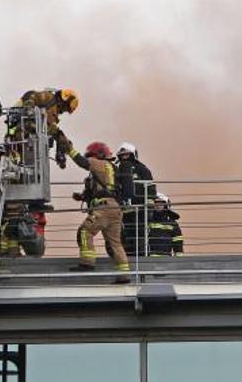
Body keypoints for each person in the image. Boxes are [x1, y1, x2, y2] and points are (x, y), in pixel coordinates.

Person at [63, 139, 130, 283]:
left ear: (97, 155)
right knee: (115, 243)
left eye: (91, 156)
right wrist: (82, 196)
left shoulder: (99, 163)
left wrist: (69, 149)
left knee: (85, 231)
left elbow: (82, 162)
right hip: (115, 209)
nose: (89, 159)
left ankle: (87, 263)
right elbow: (105, 189)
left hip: (103, 209)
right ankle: (124, 274)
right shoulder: (112, 168)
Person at [10, 89, 79, 168]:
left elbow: (53, 130)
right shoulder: (48, 97)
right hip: (25, 131)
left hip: (33, 142)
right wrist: (29, 108)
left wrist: (62, 148)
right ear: (64, 100)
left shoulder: (54, 115)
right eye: (66, 108)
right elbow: (32, 96)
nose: (64, 111)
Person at [115, 142, 156, 256]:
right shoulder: (117, 170)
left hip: (140, 208)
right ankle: (126, 255)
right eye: (122, 155)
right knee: (124, 232)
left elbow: (151, 188)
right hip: (124, 209)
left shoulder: (142, 169)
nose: (124, 157)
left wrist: (149, 205)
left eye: (126, 155)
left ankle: (141, 255)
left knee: (140, 232)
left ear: (133, 155)